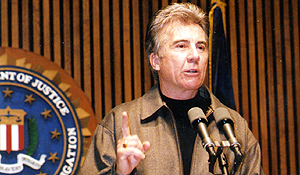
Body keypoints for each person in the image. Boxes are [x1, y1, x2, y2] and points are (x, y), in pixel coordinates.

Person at [79, 2, 264, 175]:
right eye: (181, 46)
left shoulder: (233, 125)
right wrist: (120, 172)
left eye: (201, 46)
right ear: (155, 60)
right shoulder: (119, 123)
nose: (194, 56)